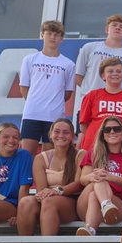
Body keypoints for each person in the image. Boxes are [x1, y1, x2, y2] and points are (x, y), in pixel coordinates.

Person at [16, 118, 82, 239]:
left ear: (72, 136)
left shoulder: (80, 155)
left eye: (66, 132)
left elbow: (79, 184)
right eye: (57, 131)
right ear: (50, 135)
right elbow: (42, 189)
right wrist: (49, 193)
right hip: (47, 199)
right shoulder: (41, 158)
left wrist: (57, 191)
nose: (61, 135)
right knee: (25, 202)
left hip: (72, 201)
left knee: (49, 201)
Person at [75, 117, 122, 236]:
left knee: (95, 194)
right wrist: (93, 176)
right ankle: (106, 204)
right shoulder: (93, 154)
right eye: (107, 130)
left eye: (116, 129)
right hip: (85, 205)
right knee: (98, 180)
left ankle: (90, 228)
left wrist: (108, 176)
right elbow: (82, 179)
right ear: (102, 134)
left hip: (118, 205)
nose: (112, 132)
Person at [18, 19, 75, 155]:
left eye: (57, 35)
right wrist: (35, 101)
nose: (53, 37)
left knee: (50, 156)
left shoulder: (68, 64)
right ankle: (27, 177)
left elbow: (67, 93)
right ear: (42, 35)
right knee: (26, 155)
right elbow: (24, 87)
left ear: (62, 38)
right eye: (49, 33)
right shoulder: (30, 59)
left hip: (54, 116)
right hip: (32, 114)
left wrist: (52, 102)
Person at [77, 58, 122, 152]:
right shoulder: (91, 96)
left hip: (119, 147)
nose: (115, 74)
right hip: (93, 145)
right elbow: (83, 125)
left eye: (118, 71)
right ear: (103, 76)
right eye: (110, 71)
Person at [75, 14, 122, 97]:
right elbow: (78, 75)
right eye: (114, 25)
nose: (117, 28)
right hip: (91, 100)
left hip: (118, 104)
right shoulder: (89, 48)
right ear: (107, 29)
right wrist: (89, 91)